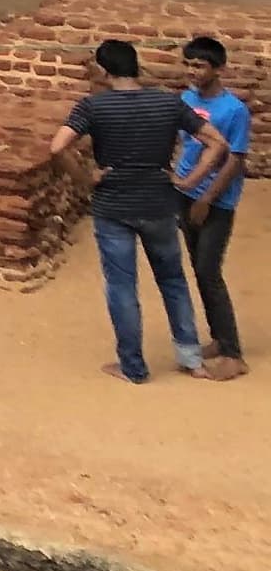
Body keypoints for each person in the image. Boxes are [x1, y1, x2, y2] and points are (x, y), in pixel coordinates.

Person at [59, 38, 219, 383]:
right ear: (136, 65)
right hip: (159, 203)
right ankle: (192, 359)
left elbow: (58, 146)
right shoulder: (168, 103)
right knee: (173, 281)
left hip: (113, 205)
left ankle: (133, 367)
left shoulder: (93, 107)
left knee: (122, 286)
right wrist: (188, 181)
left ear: (103, 70)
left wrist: (88, 178)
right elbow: (217, 143)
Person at [176, 34, 249, 382]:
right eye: (189, 64)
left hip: (216, 201)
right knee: (199, 269)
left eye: (200, 65)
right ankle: (219, 338)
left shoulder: (234, 110)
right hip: (185, 195)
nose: (193, 71)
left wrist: (207, 199)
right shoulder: (186, 99)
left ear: (219, 69)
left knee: (209, 270)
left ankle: (234, 353)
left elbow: (234, 160)